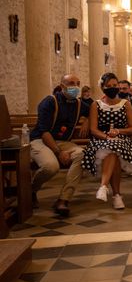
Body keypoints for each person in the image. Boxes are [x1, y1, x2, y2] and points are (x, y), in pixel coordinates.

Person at [81, 73, 132, 209]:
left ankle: (104, 186)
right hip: (100, 140)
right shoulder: (96, 105)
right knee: (112, 149)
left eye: (114, 85)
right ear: (102, 87)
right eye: (108, 86)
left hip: (122, 140)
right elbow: (93, 129)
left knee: (114, 147)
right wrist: (106, 137)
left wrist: (118, 132)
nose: (112, 88)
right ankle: (116, 195)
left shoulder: (125, 104)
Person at [30, 74, 90, 217]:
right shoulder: (50, 102)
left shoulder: (79, 104)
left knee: (82, 154)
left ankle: (63, 199)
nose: (75, 87)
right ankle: (30, 190)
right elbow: (44, 131)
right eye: (70, 83)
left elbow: (93, 111)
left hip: (64, 142)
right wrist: (58, 152)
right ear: (62, 86)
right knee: (51, 166)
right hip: (41, 140)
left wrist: (87, 120)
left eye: (77, 83)